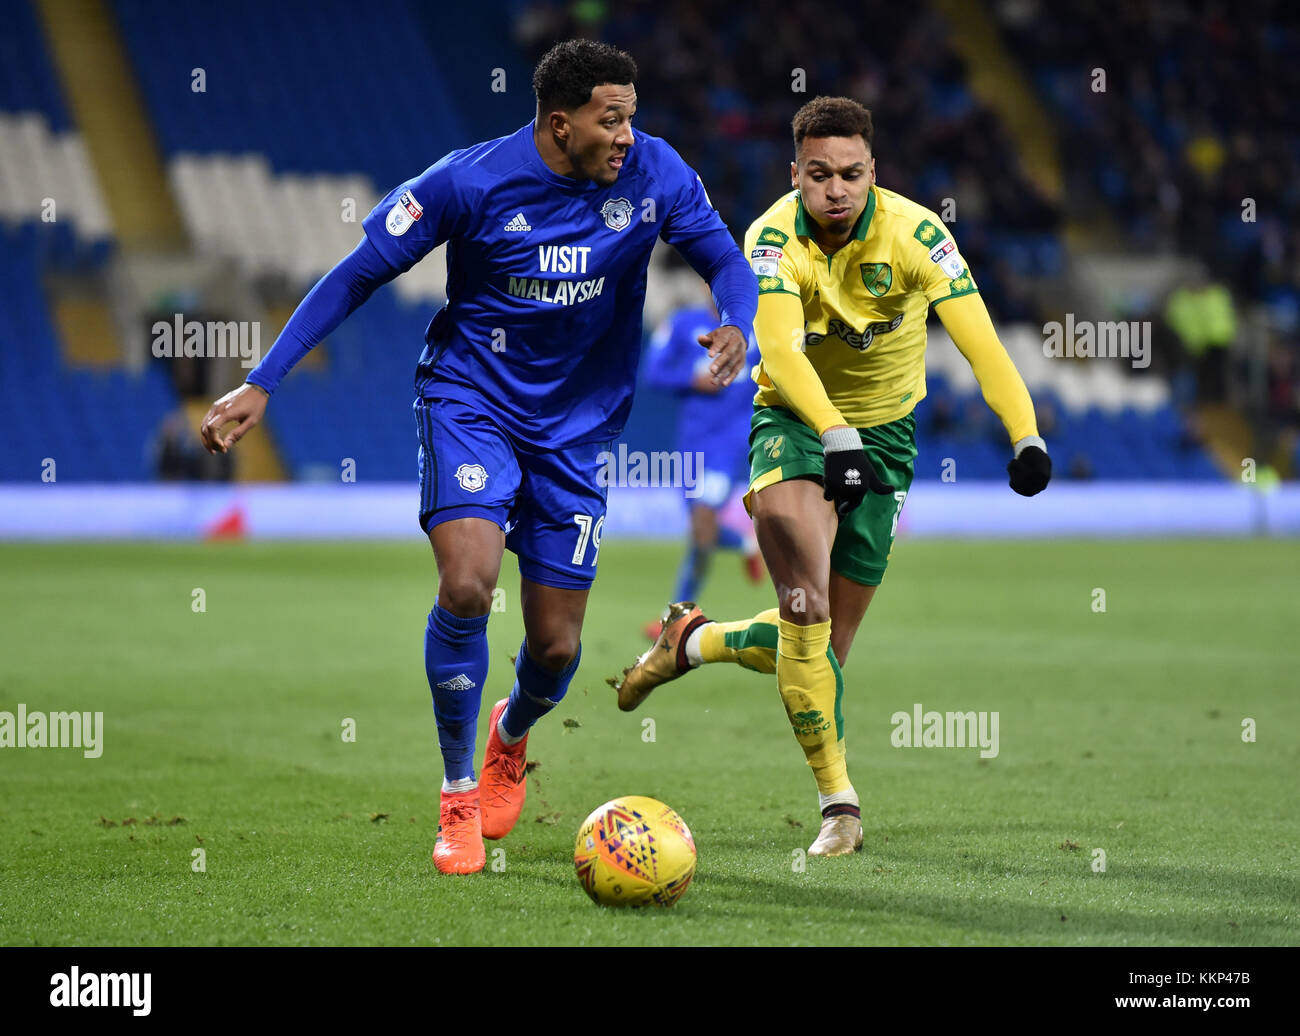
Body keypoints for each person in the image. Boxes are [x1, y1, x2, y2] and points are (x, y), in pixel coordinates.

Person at [198, 40, 756, 875]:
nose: (628, 138)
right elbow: (355, 276)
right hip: (472, 400)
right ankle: (457, 795)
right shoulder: (468, 181)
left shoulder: (657, 173)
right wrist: (263, 381)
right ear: (560, 124)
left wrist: (737, 322)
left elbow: (723, 261)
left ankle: (510, 736)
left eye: (633, 119)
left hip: (578, 426)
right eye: (612, 121)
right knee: (467, 583)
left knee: (558, 649)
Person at [610, 96, 1050, 857]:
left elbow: (981, 343)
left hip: (887, 441)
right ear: (797, 175)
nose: (836, 189)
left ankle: (692, 642)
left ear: (872, 172)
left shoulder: (918, 235)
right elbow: (776, 351)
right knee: (803, 605)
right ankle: (839, 806)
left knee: (822, 656)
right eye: (819, 175)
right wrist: (833, 431)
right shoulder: (772, 238)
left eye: (851, 174)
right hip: (795, 426)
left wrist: (1026, 434)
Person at [640, 288, 764, 640]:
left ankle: (676, 619)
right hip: (692, 443)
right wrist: (692, 380)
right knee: (701, 535)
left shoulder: (758, 329)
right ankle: (745, 543)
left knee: (702, 528)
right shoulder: (684, 325)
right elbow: (653, 372)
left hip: (730, 442)